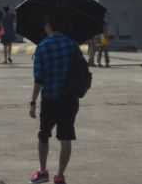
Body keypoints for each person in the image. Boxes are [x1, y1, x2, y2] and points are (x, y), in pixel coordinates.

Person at [29, 11, 86, 184]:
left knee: (43, 135)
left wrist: (33, 102)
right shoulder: (72, 44)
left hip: (50, 98)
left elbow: (39, 79)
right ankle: (60, 176)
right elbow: (82, 68)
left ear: (48, 26)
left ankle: (42, 171)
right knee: (66, 138)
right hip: (70, 98)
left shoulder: (42, 47)